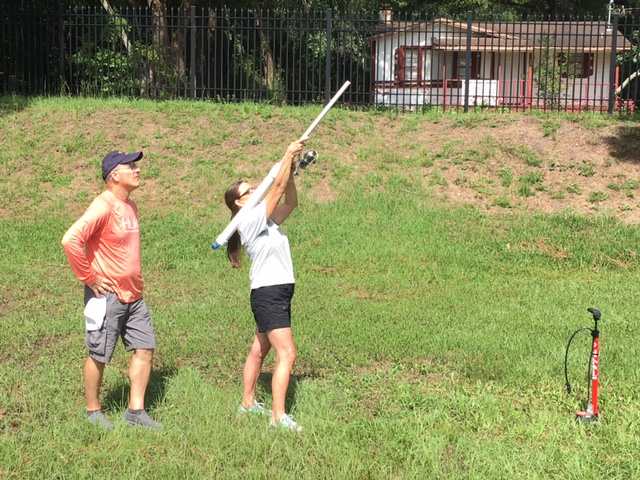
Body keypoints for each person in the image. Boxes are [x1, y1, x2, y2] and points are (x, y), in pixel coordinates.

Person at [61, 150, 161, 431]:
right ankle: (92, 411)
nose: (138, 170)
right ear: (115, 174)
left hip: (135, 295)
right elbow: (70, 240)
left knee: (145, 348)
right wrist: (89, 277)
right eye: (131, 166)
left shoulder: (130, 206)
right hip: (107, 296)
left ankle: (135, 411)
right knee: (99, 354)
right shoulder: (103, 206)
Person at [225, 138, 307, 432]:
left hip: (278, 290)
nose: (254, 191)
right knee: (287, 354)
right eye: (248, 191)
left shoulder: (266, 219)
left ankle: (247, 403)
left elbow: (290, 201)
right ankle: (278, 417)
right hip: (269, 293)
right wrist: (285, 156)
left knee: (259, 350)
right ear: (239, 202)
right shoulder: (248, 220)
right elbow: (275, 189)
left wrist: (292, 170)